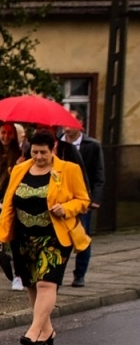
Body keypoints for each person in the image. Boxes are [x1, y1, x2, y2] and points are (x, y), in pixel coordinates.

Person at [0, 130, 91, 345]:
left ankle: (34, 330)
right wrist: (2, 234)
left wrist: (66, 208)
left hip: (55, 237)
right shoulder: (20, 169)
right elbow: (10, 202)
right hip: (23, 237)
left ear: (53, 149)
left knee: (46, 283)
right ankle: (47, 330)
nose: (38, 157)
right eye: (35, 152)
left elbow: (83, 201)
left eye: (43, 153)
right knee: (31, 284)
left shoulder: (68, 170)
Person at [56, 123, 104, 287]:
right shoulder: (56, 145)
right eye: (64, 126)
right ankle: (57, 272)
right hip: (59, 200)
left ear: (80, 126)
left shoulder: (89, 146)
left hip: (80, 198)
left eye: (70, 124)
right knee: (60, 239)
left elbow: (97, 173)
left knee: (81, 236)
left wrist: (94, 199)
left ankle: (80, 274)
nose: (67, 128)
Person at [0, 123, 24, 291]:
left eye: (10, 133)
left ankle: (18, 275)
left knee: (15, 240)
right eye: (3, 132)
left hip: (11, 203)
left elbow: (17, 183)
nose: (6, 136)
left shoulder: (20, 156)